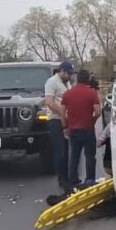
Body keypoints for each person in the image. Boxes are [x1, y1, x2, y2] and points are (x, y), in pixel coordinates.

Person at [62, 68, 101, 191]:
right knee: (90, 156)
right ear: (88, 79)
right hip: (88, 129)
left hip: (74, 130)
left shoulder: (68, 93)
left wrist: (65, 127)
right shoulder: (92, 93)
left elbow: (63, 113)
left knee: (74, 156)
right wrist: (92, 121)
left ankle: (73, 180)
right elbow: (98, 111)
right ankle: (90, 180)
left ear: (77, 79)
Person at [44, 61, 75, 203]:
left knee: (67, 149)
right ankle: (61, 178)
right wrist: (62, 113)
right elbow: (49, 102)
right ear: (61, 71)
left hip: (66, 119)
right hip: (55, 119)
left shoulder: (66, 83)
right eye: (67, 73)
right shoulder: (52, 82)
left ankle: (67, 176)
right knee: (60, 150)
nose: (69, 76)